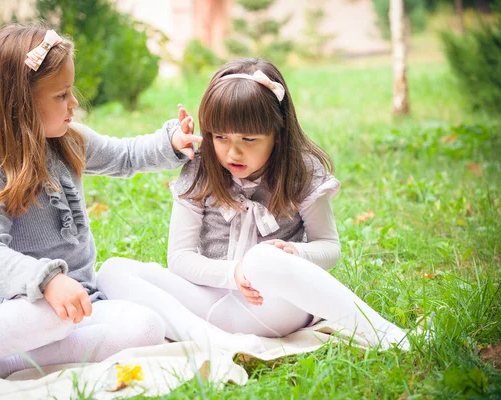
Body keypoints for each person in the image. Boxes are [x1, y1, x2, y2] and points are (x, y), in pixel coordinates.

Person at [0, 24, 207, 378]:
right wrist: (46, 280)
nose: (74, 103)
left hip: (81, 303)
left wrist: (169, 142)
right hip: (21, 308)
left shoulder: (68, 141)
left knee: (146, 327)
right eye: (61, 95)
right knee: (49, 315)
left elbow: (124, 155)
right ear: (19, 105)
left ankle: (2, 361)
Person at [98, 58, 410, 351]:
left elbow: (329, 246)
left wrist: (297, 253)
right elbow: (179, 258)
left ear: (278, 133)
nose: (232, 153)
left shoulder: (301, 170)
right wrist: (232, 273)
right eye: (220, 137)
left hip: (276, 307)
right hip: (212, 306)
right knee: (113, 271)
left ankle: (387, 335)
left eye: (248, 140)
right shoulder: (201, 169)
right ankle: (212, 342)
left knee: (261, 259)